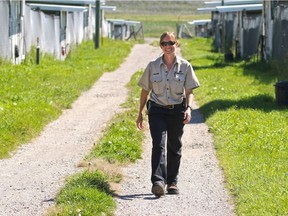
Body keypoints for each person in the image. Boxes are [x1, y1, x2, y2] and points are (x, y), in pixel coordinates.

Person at [136, 32, 200, 197]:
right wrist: (140, 113)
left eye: (171, 42)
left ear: (176, 44)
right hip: (157, 110)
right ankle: (158, 182)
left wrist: (188, 108)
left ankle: (172, 182)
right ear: (160, 46)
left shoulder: (185, 66)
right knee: (158, 144)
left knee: (175, 145)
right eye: (164, 43)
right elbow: (145, 90)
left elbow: (189, 90)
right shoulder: (153, 65)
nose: (168, 46)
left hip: (177, 109)